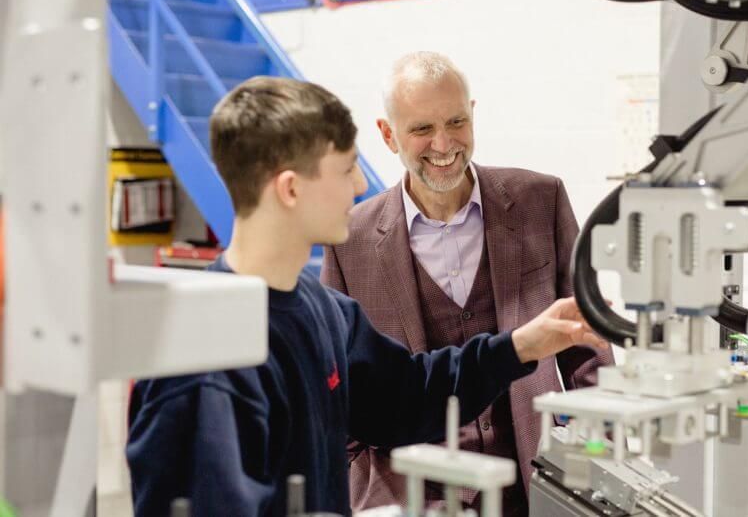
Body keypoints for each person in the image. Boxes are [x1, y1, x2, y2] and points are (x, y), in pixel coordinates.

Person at [125, 76, 607, 517]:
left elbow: (409, 398)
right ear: (291, 189)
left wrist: (522, 346)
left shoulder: (327, 313)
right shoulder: (199, 357)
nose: (359, 187)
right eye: (348, 169)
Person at [321, 52, 614, 514]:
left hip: (533, 481)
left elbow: (588, 350)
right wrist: (366, 495)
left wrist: (603, 464)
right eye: (421, 129)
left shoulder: (542, 200)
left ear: (472, 114)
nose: (443, 144)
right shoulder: (349, 237)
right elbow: (340, 392)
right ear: (387, 133)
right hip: (412, 492)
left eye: (456, 122)